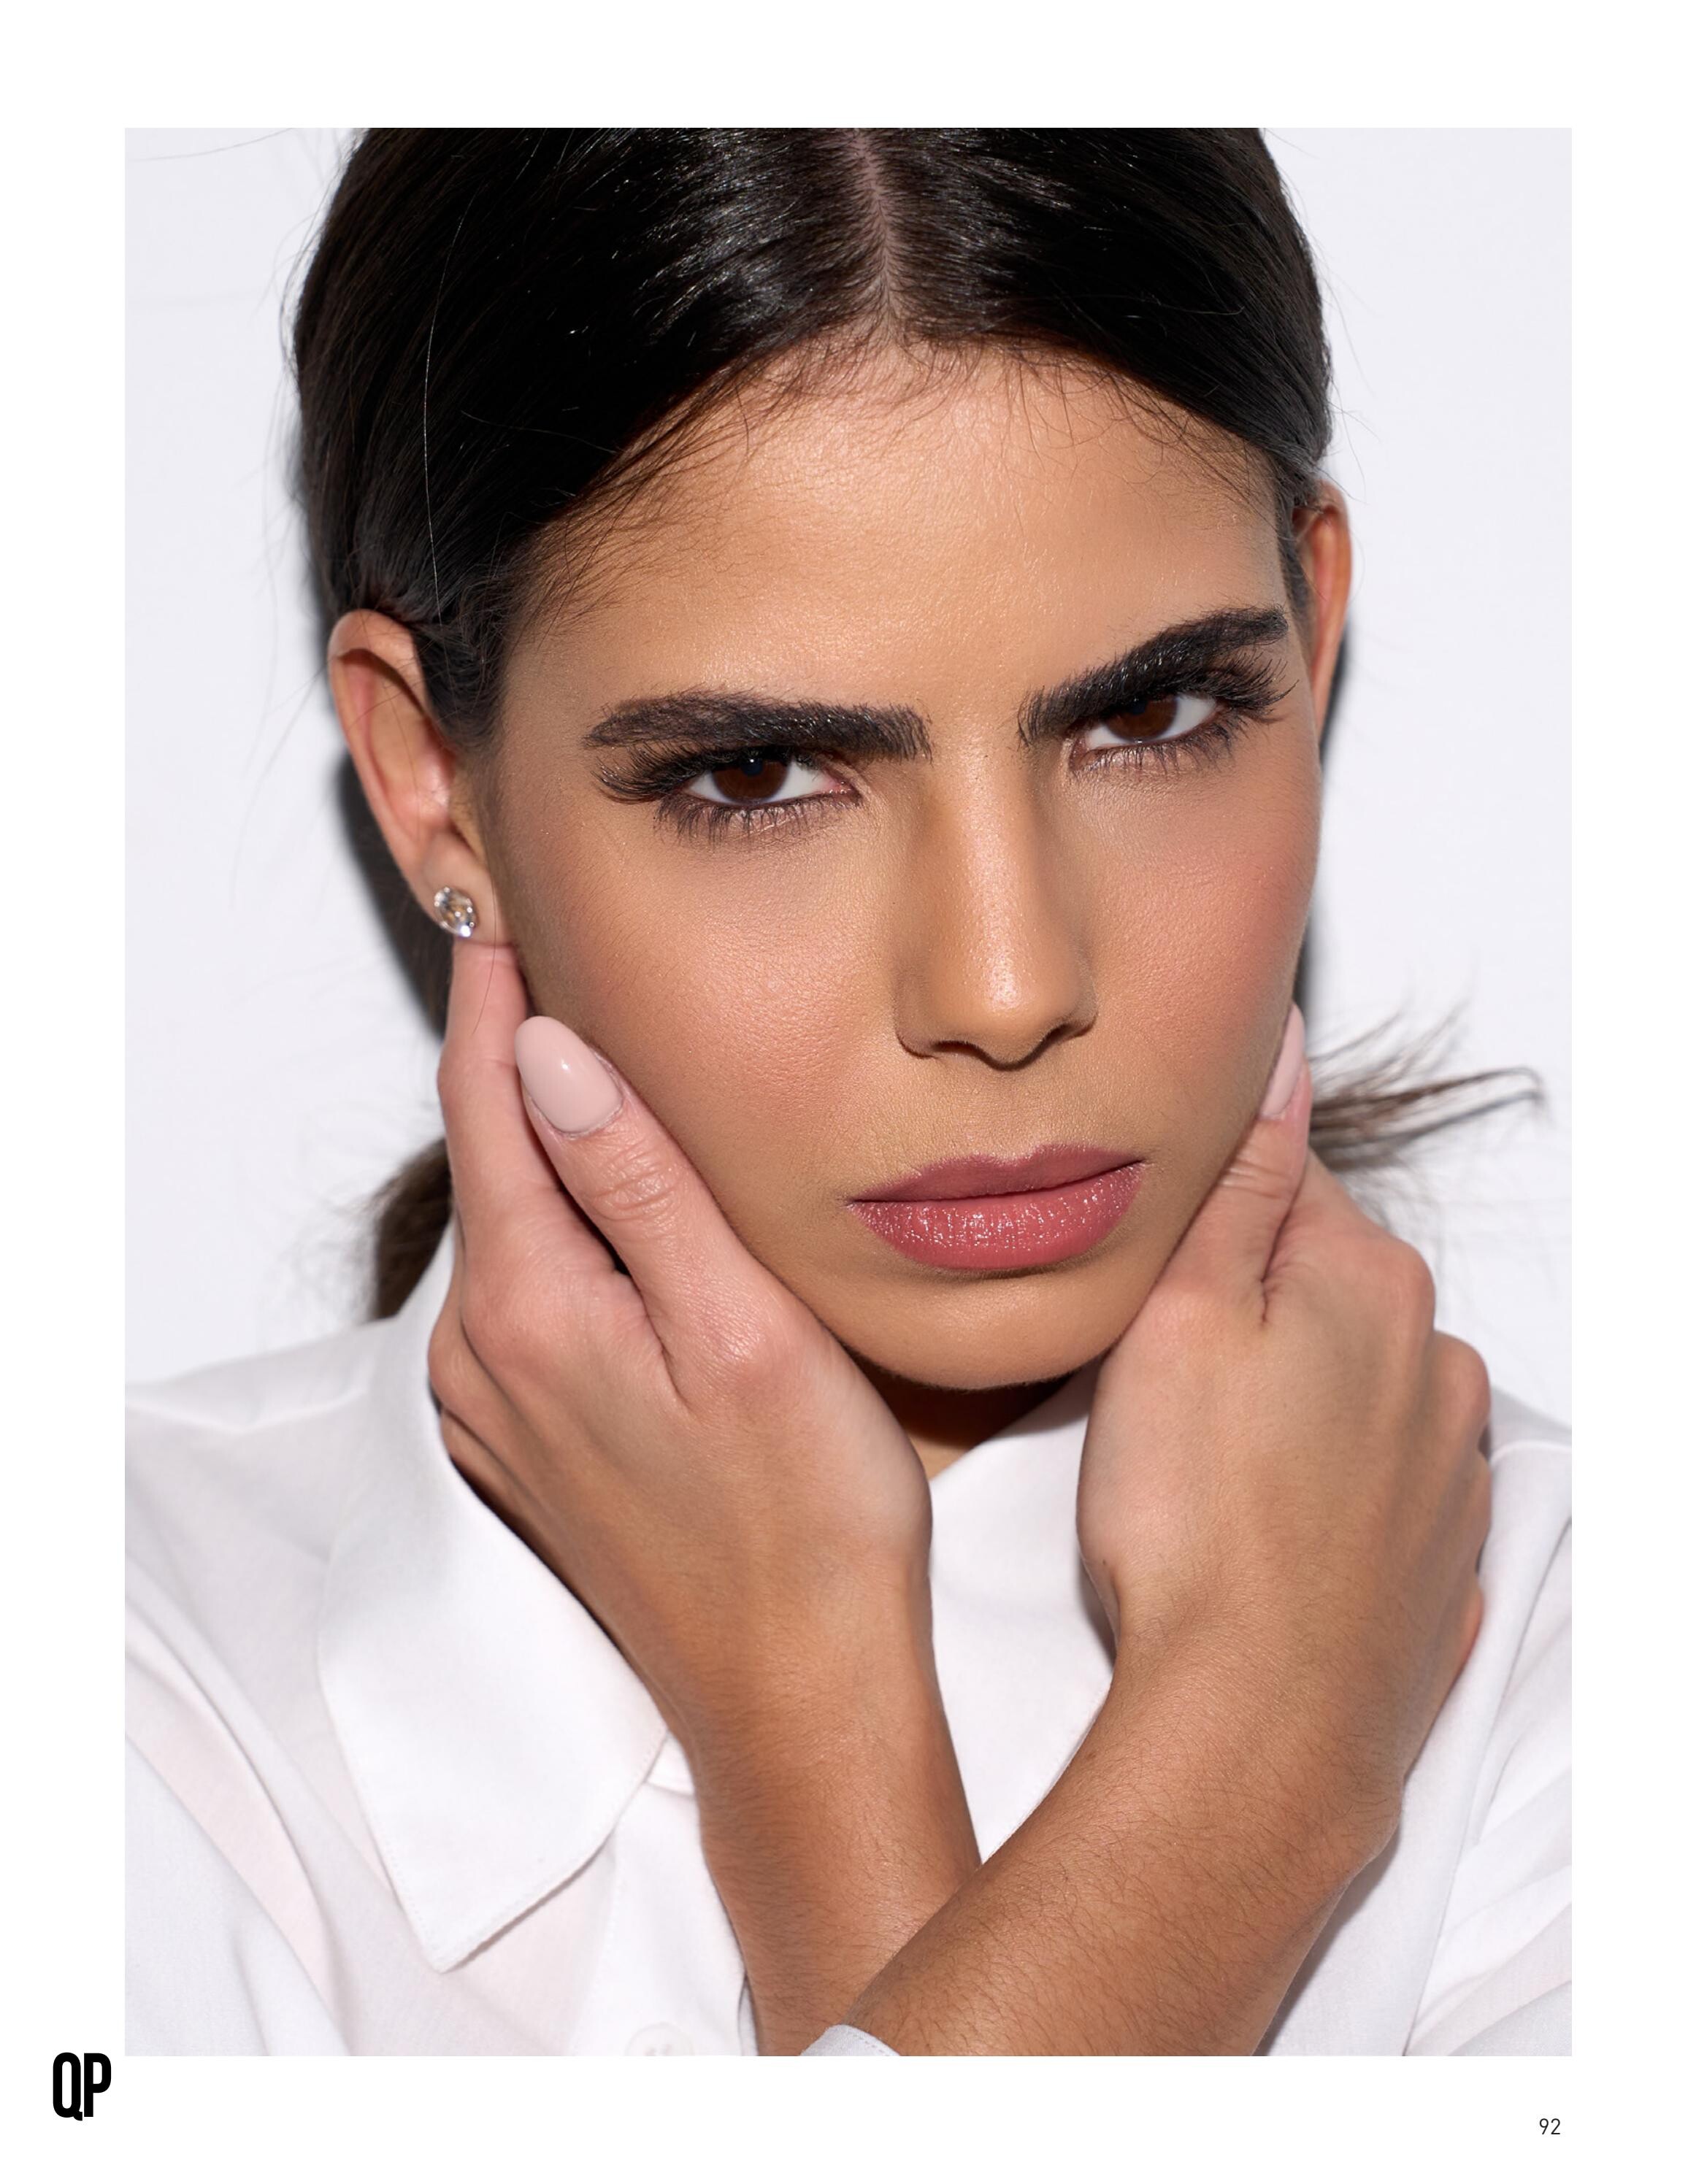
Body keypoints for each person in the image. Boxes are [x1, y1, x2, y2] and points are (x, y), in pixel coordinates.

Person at [126, 128, 1570, 2057]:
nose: (1007, 987)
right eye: (759, 777)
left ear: (1312, 640)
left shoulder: (1585, 1661)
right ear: (432, 779)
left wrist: (829, 1761)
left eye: (1149, 717)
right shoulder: (119, 1670)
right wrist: (1240, 1786)